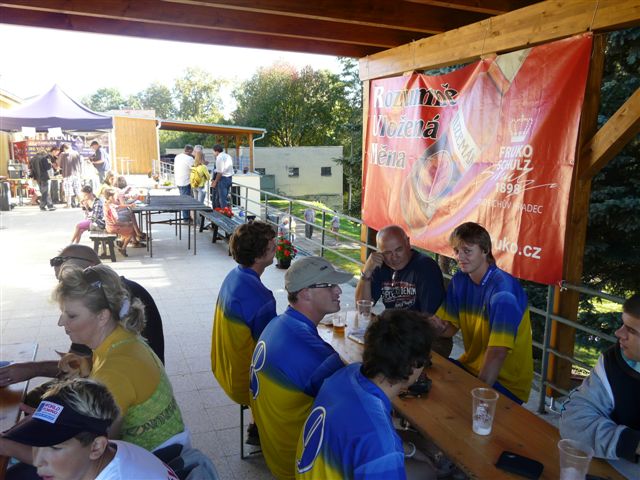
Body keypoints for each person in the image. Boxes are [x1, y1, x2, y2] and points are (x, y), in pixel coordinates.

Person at [0, 244, 165, 392]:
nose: (65, 289)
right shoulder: (116, 290)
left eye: (70, 280)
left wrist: (33, 369)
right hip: (131, 379)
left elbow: (80, 366)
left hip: (125, 385)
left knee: (37, 400)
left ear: (90, 269)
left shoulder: (103, 304)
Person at [296, 309, 435, 479]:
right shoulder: (380, 442)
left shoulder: (347, 373)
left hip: (311, 471)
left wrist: (410, 450)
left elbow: (364, 432)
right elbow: (377, 440)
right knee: (429, 472)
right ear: (414, 365)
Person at [249, 256, 351, 479]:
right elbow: (355, 402)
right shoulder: (315, 354)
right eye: (330, 285)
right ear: (306, 293)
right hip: (297, 461)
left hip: (274, 448)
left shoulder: (278, 323)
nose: (338, 291)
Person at [431, 222, 533, 404]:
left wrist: (475, 398)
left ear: (485, 251)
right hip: (471, 366)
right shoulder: (460, 280)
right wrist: (429, 325)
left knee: (452, 406)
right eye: (456, 251)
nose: (460, 257)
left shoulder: (503, 292)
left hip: (506, 383)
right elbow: (448, 329)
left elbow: (497, 353)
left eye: (467, 251)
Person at [0, 378, 179, 479]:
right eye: (38, 444)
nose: (38, 460)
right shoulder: (105, 451)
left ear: (96, 447)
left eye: (55, 447)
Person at [559, 294, 640, 479]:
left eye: (631, 330)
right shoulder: (614, 362)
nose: (619, 333)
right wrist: (632, 443)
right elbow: (573, 420)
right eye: (623, 324)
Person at [210, 221, 277, 445]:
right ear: (258, 256)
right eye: (271, 243)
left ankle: (256, 426)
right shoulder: (260, 297)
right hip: (243, 382)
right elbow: (271, 349)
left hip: (222, 367)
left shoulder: (234, 276)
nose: (276, 245)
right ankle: (271, 434)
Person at [355, 225, 447, 355]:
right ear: (379, 252)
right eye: (387, 253)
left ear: (408, 243)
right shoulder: (380, 265)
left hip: (428, 336)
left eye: (399, 249)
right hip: (396, 333)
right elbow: (362, 309)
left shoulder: (426, 268)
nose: (394, 257)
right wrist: (367, 271)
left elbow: (431, 321)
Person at [104, 188, 137, 256]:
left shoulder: (107, 204)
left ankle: (121, 242)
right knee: (131, 230)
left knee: (129, 227)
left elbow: (118, 206)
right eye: (114, 196)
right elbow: (115, 222)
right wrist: (126, 224)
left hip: (109, 226)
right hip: (113, 227)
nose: (116, 198)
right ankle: (123, 248)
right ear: (110, 197)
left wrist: (129, 205)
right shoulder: (110, 208)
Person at [174, 144, 195, 220]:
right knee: (186, 200)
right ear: (190, 151)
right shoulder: (189, 158)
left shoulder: (178, 156)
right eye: (192, 151)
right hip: (186, 181)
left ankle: (186, 216)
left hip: (178, 180)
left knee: (183, 199)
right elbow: (194, 168)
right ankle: (186, 218)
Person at [59, 143, 82, 209]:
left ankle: (68, 205)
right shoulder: (77, 153)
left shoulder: (63, 154)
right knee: (77, 189)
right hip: (77, 174)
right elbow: (80, 163)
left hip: (67, 174)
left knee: (68, 190)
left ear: (64, 148)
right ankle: (81, 203)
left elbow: (60, 165)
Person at [211, 144, 234, 208]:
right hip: (229, 178)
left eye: (213, 151)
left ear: (216, 151)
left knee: (221, 199)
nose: (213, 153)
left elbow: (220, 172)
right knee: (224, 198)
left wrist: (215, 182)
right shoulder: (228, 156)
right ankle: (224, 211)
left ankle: (223, 212)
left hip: (223, 179)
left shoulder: (219, 157)